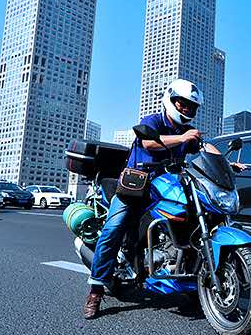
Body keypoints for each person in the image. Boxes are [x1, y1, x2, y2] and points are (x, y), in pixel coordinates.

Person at [83, 79, 203, 319]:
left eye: (191, 107)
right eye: (183, 104)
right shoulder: (154, 121)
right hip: (136, 185)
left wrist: (227, 165)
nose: (187, 109)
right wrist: (183, 139)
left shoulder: (186, 133)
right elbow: (149, 142)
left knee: (190, 222)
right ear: (171, 100)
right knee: (114, 228)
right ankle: (96, 289)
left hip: (166, 187)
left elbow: (205, 149)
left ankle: (189, 280)